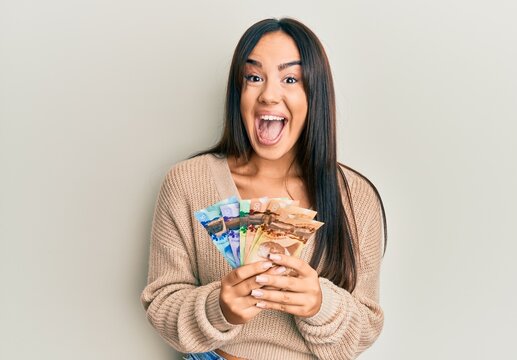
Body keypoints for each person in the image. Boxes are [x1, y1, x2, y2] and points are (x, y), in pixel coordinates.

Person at [140, 17, 387, 360]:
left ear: (314, 95)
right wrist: (218, 308)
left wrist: (319, 304)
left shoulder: (356, 197)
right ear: (238, 92)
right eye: (254, 77)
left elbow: (365, 328)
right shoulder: (186, 182)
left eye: (290, 79)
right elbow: (161, 302)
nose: (269, 94)